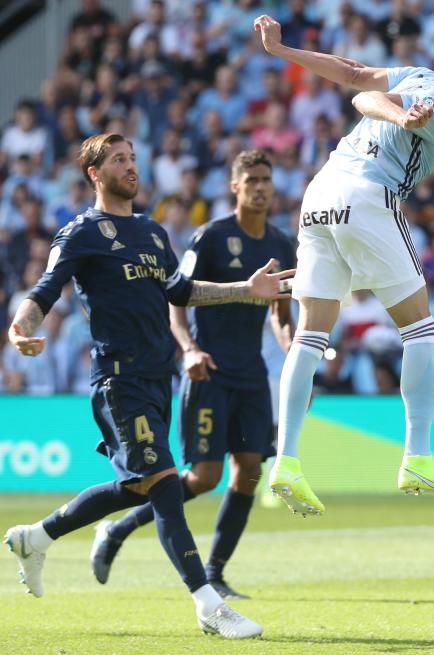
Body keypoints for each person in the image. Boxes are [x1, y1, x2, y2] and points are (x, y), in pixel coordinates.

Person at [251, 14, 434, 513]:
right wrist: (400, 117)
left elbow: (351, 71)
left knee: (310, 335)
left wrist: (281, 51)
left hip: (320, 193)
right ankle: (417, 456)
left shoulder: (431, 77)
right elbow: (363, 99)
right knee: (422, 330)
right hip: (368, 194)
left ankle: (287, 461)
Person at [3, 134, 291, 637]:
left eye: (133, 158)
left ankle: (37, 536)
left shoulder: (153, 233)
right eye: (118, 160)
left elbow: (182, 291)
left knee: (137, 485)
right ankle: (208, 602)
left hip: (159, 377)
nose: (131, 167)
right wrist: (20, 325)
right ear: (95, 174)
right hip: (120, 377)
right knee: (164, 485)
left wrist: (246, 289)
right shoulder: (81, 233)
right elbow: (46, 287)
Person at [89, 150, 295, 599]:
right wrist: (190, 350)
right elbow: (174, 299)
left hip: (252, 376)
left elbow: (281, 315)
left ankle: (216, 572)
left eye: (267, 179)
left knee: (249, 475)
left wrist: (296, 358)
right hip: (209, 373)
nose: (261, 186)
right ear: (234, 186)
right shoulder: (211, 237)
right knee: (203, 477)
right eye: (252, 179)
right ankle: (117, 528)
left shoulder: (281, 245)